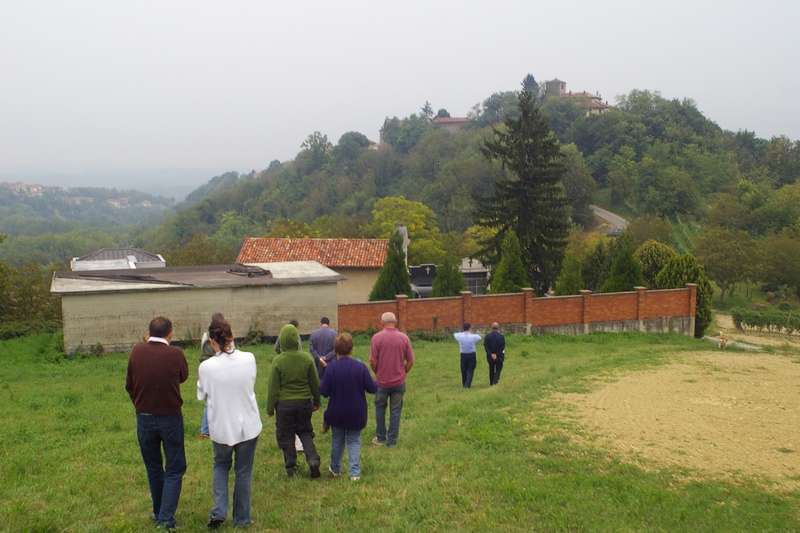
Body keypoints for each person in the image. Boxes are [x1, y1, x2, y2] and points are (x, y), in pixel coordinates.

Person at [197, 318, 262, 529]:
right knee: (243, 472)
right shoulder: (249, 358)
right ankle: (242, 519)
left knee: (221, 465)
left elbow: (201, 394)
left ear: (212, 343)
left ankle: (219, 510)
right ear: (231, 336)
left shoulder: (206, 367)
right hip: (247, 427)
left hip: (221, 428)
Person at [125, 316, 188, 531]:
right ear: (170, 334)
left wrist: (140, 404)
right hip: (170, 417)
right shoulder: (176, 353)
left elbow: (130, 384)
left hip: (143, 417)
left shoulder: (136, 351)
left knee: (153, 467)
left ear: (149, 333)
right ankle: (165, 519)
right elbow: (183, 376)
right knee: (174, 468)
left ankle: (159, 510)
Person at [266, 323, 322, 478]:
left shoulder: (278, 361)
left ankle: (291, 467)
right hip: (304, 402)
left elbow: (272, 388)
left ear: (282, 341)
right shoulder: (307, 358)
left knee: (286, 435)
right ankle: (312, 459)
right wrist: (317, 402)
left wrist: (270, 409)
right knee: (305, 431)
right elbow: (315, 383)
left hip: (284, 405)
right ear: (297, 340)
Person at [320, 333, 378, 480]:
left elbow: (324, 392)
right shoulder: (360, 367)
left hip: (337, 412)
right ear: (352, 349)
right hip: (356, 412)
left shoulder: (331, 369)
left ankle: (335, 468)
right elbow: (372, 388)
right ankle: (354, 472)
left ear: (335, 350)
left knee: (337, 440)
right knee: (354, 441)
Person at [369, 312, 414, 447]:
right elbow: (411, 360)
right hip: (398, 381)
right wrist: (403, 372)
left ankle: (381, 437)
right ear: (396, 321)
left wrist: (377, 371)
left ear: (382, 323)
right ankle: (392, 440)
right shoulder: (404, 338)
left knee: (380, 408)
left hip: (381, 381)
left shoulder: (377, 338)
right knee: (395, 411)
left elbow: (372, 360)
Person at [274, 319, 305, 454]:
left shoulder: (281, 335)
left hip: (284, 399)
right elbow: (300, 350)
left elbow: (276, 348)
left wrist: (282, 356)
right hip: (299, 393)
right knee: (299, 420)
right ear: (296, 327)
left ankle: (288, 445)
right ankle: (298, 444)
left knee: (285, 421)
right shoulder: (296, 336)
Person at [199, 312, 228, 439]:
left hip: (219, 368)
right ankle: (205, 430)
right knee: (210, 399)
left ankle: (221, 425)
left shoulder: (219, 334)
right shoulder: (208, 336)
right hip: (212, 370)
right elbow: (206, 356)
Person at [454, 322, 482, 388]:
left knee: (463, 369)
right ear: (469, 328)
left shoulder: (460, 336)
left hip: (463, 354)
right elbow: (480, 338)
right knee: (470, 370)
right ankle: (467, 384)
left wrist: (462, 333)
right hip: (471, 354)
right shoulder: (473, 337)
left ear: (463, 328)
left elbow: (455, 334)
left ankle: (464, 383)